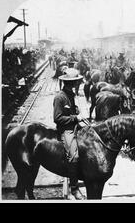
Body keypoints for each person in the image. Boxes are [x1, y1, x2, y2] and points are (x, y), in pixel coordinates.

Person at [54, 68, 85, 200]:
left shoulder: (71, 94)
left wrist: (76, 111)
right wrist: (75, 118)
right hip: (66, 129)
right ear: (70, 83)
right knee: (74, 156)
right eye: (75, 82)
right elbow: (57, 118)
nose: (77, 84)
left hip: (75, 125)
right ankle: (74, 188)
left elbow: (72, 111)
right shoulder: (59, 97)